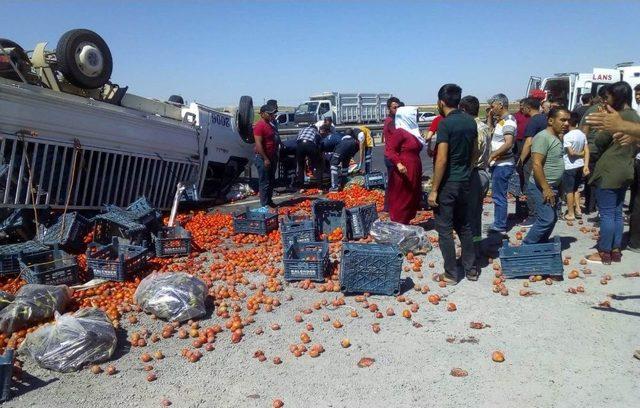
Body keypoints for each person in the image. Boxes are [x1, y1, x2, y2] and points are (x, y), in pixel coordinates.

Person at [586, 81, 640, 264]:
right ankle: (615, 250)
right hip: (627, 168)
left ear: (616, 97)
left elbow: (600, 141)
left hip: (610, 170)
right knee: (617, 212)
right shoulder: (635, 116)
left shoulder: (617, 118)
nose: (605, 100)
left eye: (607, 97)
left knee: (607, 213)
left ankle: (604, 252)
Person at [428, 85, 477, 283]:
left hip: (449, 184)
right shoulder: (470, 122)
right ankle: (471, 269)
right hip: (466, 181)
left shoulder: (445, 125)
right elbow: (474, 152)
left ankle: (451, 273)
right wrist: (466, 171)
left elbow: (441, 160)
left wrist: (433, 190)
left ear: (441, 102)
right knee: (464, 226)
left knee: (445, 229)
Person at [523, 107, 569, 244]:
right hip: (540, 186)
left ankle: (541, 245)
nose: (566, 124)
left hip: (552, 186)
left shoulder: (557, 137)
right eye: (562, 120)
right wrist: (546, 188)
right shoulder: (543, 137)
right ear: (550, 120)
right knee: (546, 218)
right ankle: (527, 246)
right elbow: (536, 165)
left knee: (552, 218)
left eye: (568, 120)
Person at [459, 95, 491, 265]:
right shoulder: (484, 126)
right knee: (476, 215)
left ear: (463, 110)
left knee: (468, 217)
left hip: (474, 174)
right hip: (484, 173)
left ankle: (469, 254)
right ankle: (477, 248)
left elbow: (472, 155)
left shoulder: (472, 128)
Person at [385, 106, 423, 224]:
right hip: (404, 168)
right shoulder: (400, 132)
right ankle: (398, 221)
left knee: (412, 194)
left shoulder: (413, 132)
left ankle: (405, 220)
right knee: (402, 195)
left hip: (414, 166)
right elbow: (390, 150)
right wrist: (398, 164)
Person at [486, 93, 516, 233]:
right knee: (498, 194)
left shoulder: (509, 121)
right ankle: (499, 222)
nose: (492, 109)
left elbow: (508, 143)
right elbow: (490, 132)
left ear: (500, 105)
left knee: (499, 196)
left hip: (503, 165)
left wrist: (493, 155)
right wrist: (490, 117)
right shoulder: (502, 121)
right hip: (499, 164)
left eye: (493, 106)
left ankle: (500, 226)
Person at [579, 85, 610, 215]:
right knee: (596, 179)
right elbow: (584, 131)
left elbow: (583, 131)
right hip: (596, 150)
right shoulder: (595, 111)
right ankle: (594, 205)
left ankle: (592, 205)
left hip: (596, 150)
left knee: (593, 179)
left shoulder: (593, 110)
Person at [517, 97, 547, 227]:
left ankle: (533, 215)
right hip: (542, 156)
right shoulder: (543, 119)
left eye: (523, 106)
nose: (521, 109)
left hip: (532, 157)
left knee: (529, 186)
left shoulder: (533, 121)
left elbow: (529, 142)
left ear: (529, 107)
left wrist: (521, 159)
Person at [562, 112, 590, 221]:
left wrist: (580, 153)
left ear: (568, 122)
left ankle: (570, 213)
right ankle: (578, 209)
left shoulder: (567, 136)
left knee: (569, 190)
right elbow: (587, 150)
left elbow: (571, 153)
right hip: (580, 165)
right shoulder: (582, 134)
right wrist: (586, 165)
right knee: (576, 189)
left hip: (570, 165)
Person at [254, 104, 279, 208]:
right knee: (264, 182)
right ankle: (264, 204)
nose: (272, 115)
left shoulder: (270, 124)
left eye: (273, 113)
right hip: (263, 158)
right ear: (263, 114)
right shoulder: (259, 126)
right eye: (270, 114)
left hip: (272, 156)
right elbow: (258, 144)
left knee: (271, 180)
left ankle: (269, 201)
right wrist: (265, 159)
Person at [383, 97, 401, 211]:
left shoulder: (393, 120)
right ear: (389, 108)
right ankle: (389, 207)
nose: (397, 109)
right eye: (395, 107)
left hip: (391, 155)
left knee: (393, 182)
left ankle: (389, 206)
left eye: (398, 107)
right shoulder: (391, 122)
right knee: (393, 183)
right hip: (391, 156)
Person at [329, 127, 359, 191]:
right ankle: (344, 184)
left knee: (333, 166)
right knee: (345, 168)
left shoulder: (341, 139)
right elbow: (357, 148)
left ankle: (334, 187)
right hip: (349, 153)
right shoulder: (354, 140)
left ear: (345, 134)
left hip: (339, 151)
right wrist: (351, 155)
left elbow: (335, 148)